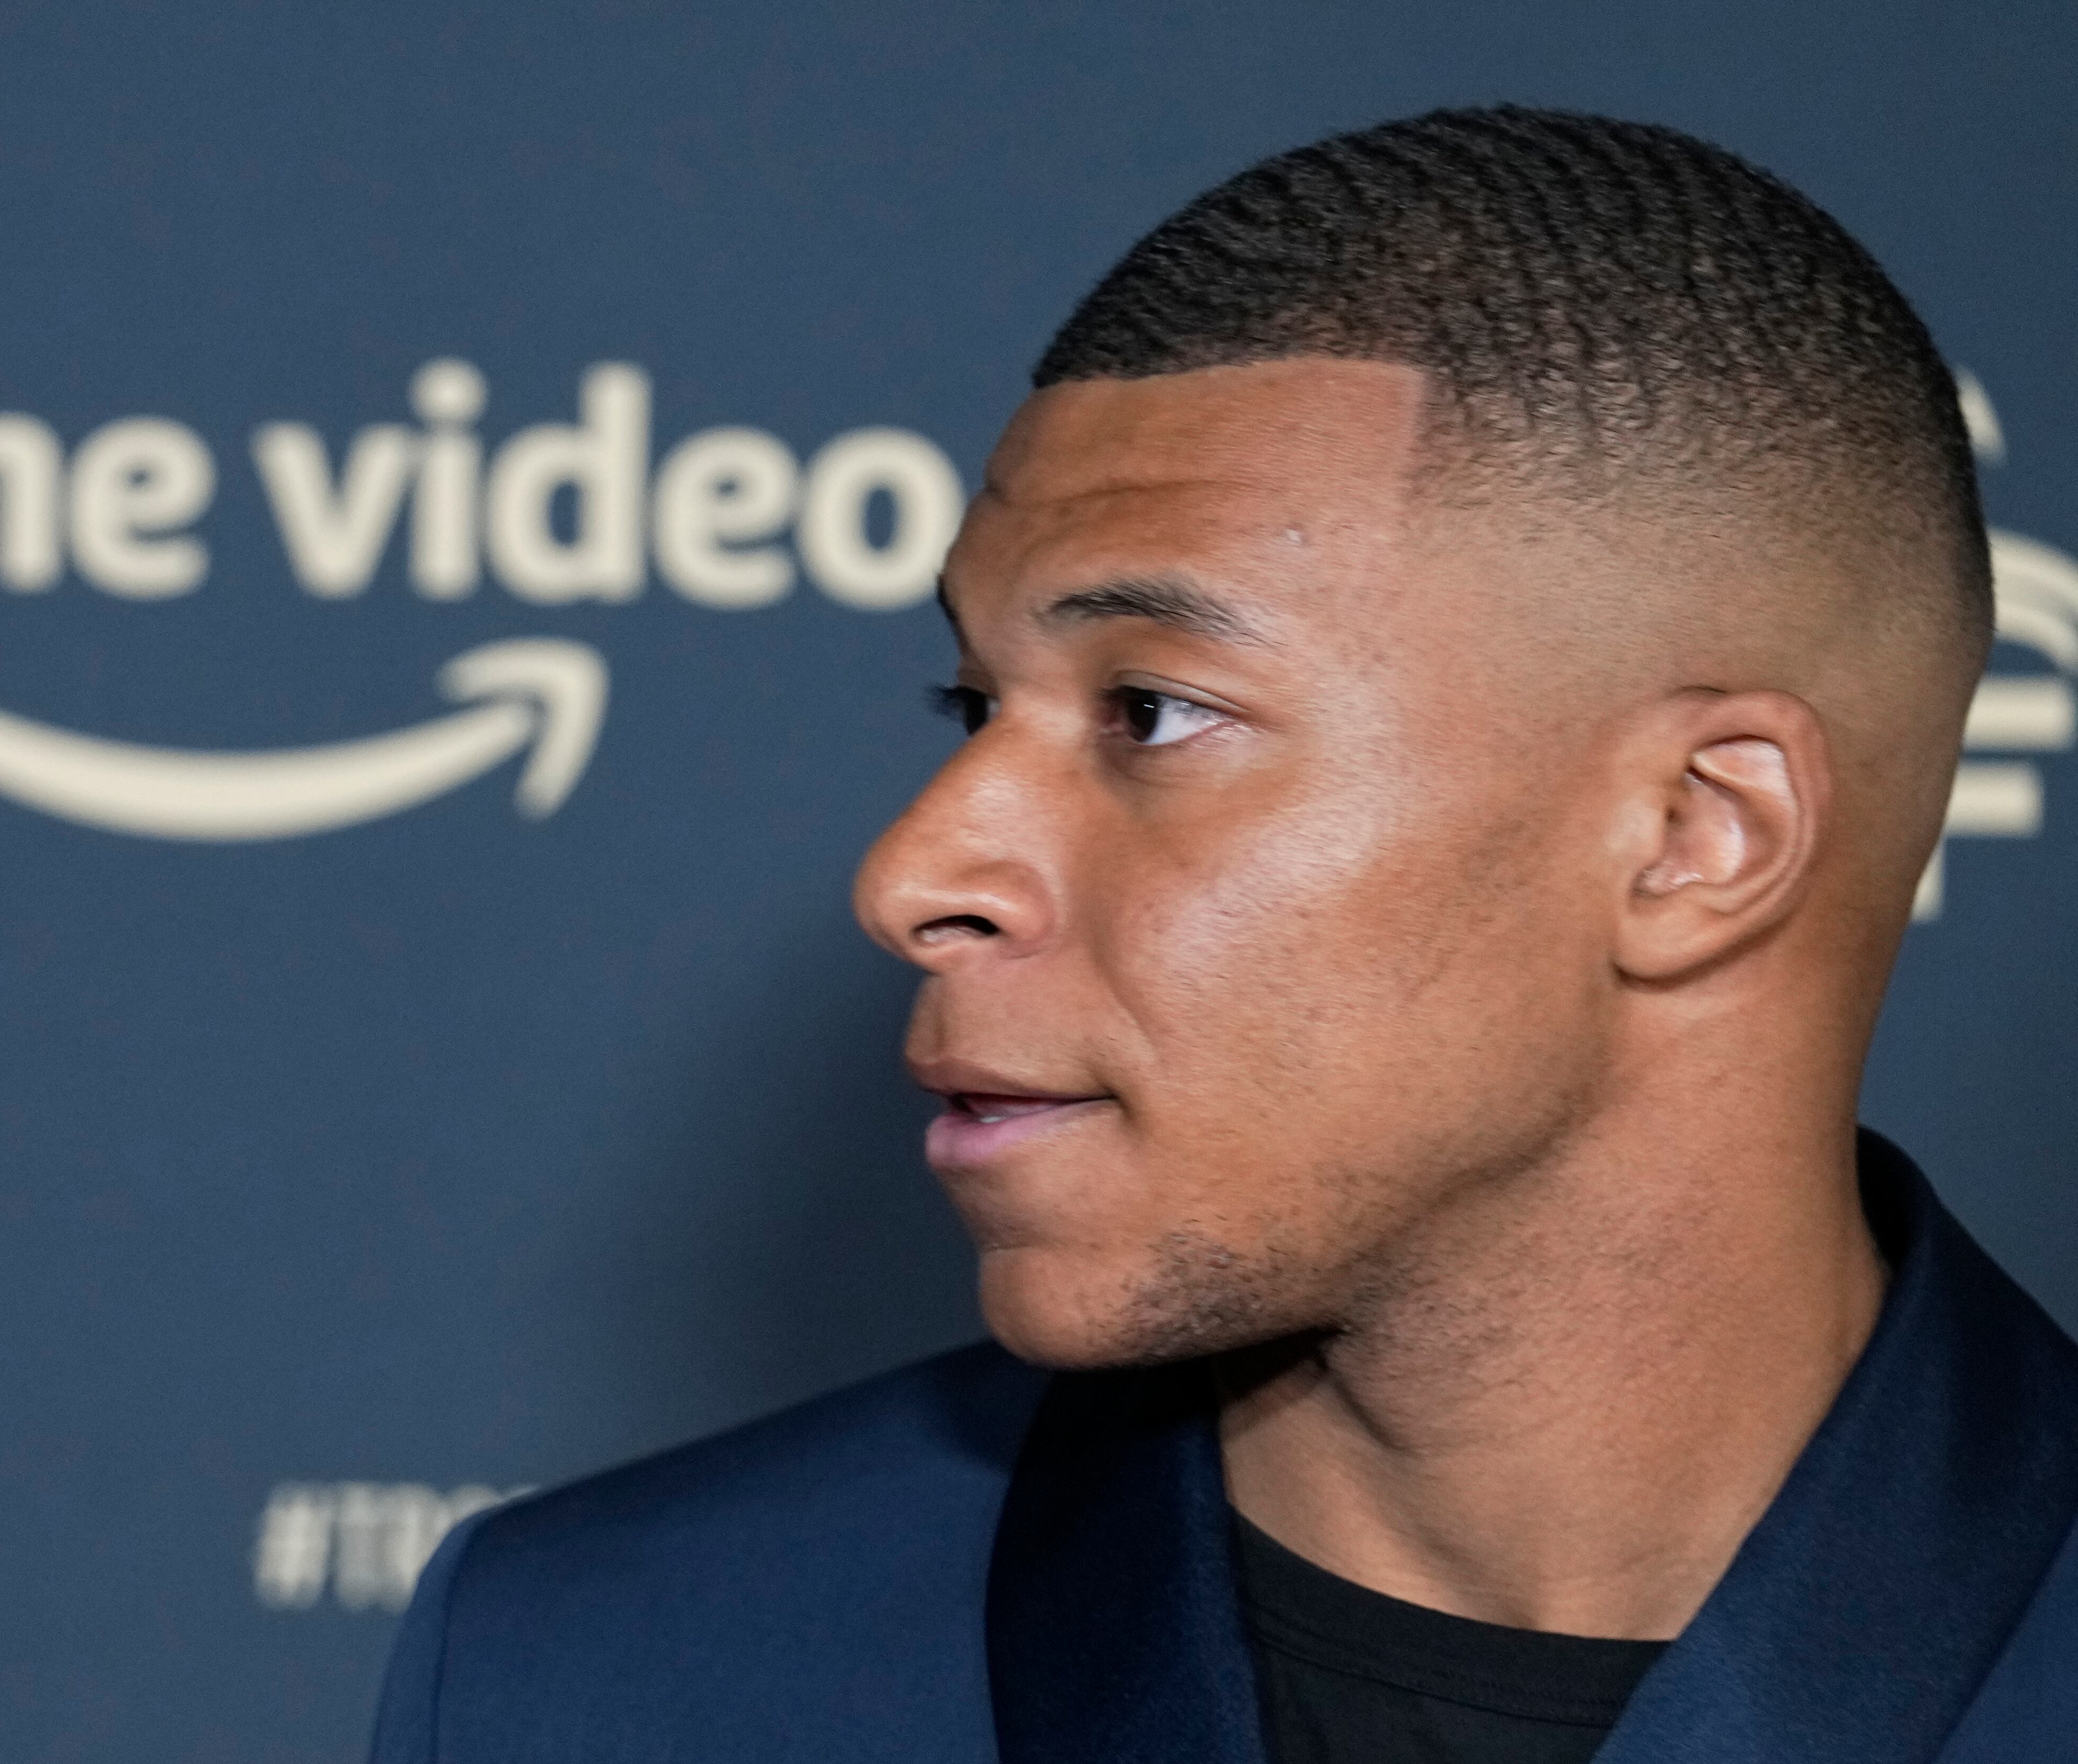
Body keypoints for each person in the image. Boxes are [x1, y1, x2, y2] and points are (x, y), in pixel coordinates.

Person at [369, 107, 2078, 1764]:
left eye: (1155, 712)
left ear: (1700, 837)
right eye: (972, 704)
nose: (913, 869)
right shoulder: (601, 1666)